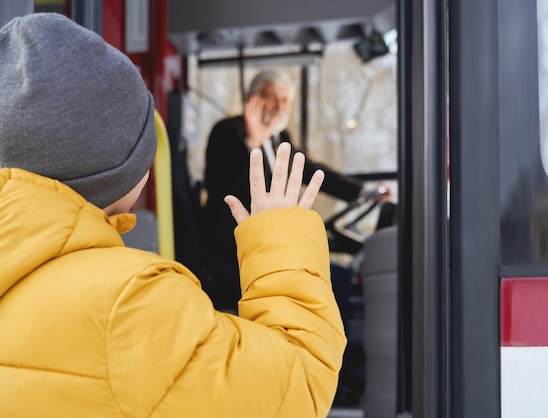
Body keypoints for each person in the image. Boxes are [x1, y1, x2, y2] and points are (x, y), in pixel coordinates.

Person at [0, 13, 345, 418]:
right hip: (226, 256)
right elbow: (296, 387)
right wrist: (285, 234)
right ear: (129, 170)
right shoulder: (134, 304)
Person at [202, 70, 380, 312]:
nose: (280, 106)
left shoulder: (279, 138)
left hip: (272, 244)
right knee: (333, 282)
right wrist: (252, 143)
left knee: (337, 278)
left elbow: (310, 169)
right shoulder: (227, 131)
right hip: (232, 251)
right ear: (254, 98)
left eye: (285, 100)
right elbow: (227, 193)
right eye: (272, 97)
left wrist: (360, 190)